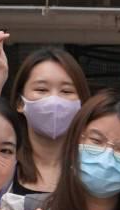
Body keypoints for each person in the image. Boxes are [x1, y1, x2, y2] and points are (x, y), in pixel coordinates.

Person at [8, 48, 92, 201]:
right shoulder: (4, 164)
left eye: (66, 91)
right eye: (41, 89)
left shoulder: (96, 168)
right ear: (20, 102)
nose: (54, 100)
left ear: (82, 104)